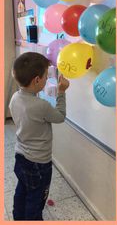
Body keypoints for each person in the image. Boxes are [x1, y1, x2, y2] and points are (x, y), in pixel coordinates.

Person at [9, 52, 70, 220]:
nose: (46, 79)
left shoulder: (14, 98)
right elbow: (60, 117)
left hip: (20, 156)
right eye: (45, 76)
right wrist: (61, 92)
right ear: (37, 80)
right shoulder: (41, 106)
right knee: (36, 200)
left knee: (22, 191)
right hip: (39, 164)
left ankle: (18, 217)